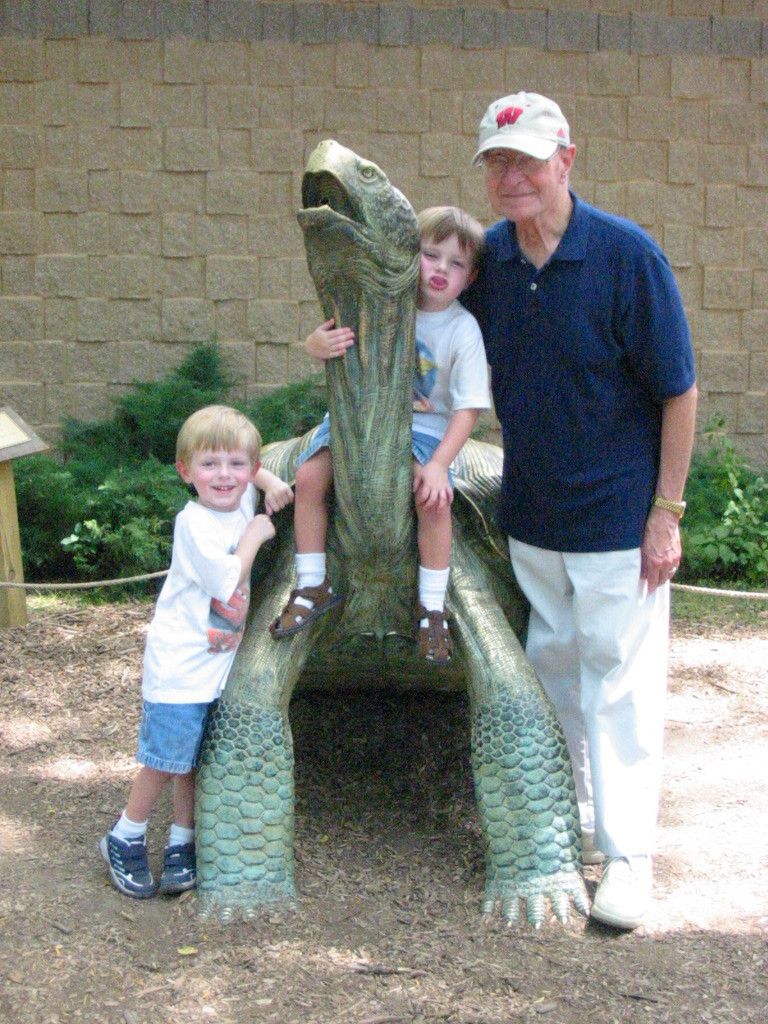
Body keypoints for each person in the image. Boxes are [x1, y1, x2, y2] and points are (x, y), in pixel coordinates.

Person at [464, 92, 698, 930]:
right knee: (555, 675)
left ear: (567, 158)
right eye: (497, 161)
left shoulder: (627, 256)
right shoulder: (488, 261)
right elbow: (422, 335)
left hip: (616, 525)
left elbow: (679, 391)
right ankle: (566, 833)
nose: (511, 175)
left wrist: (665, 512)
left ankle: (628, 858)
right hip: (530, 519)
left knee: (622, 689)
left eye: (526, 158)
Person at [270, 206, 491, 664]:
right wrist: (315, 345)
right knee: (309, 477)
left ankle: (432, 605)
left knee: (434, 500)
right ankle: (313, 581)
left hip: (424, 429)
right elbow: (327, 339)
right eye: (431, 256)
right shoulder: (382, 305)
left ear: (469, 279)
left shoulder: (462, 330)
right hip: (360, 417)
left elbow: (468, 408)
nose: (440, 270)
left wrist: (438, 466)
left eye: (456, 264)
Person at [100, 405, 293, 898]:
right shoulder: (197, 522)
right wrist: (253, 534)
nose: (224, 476)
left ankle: (182, 843)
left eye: (236, 465)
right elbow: (226, 583)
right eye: (209, 465)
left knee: (193, 760)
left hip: (216, 665)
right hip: (181, 667)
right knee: (166, 760)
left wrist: (269, 483)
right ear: (185, 472)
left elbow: (254, 468)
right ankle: (125, 835)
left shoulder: (239, 491)